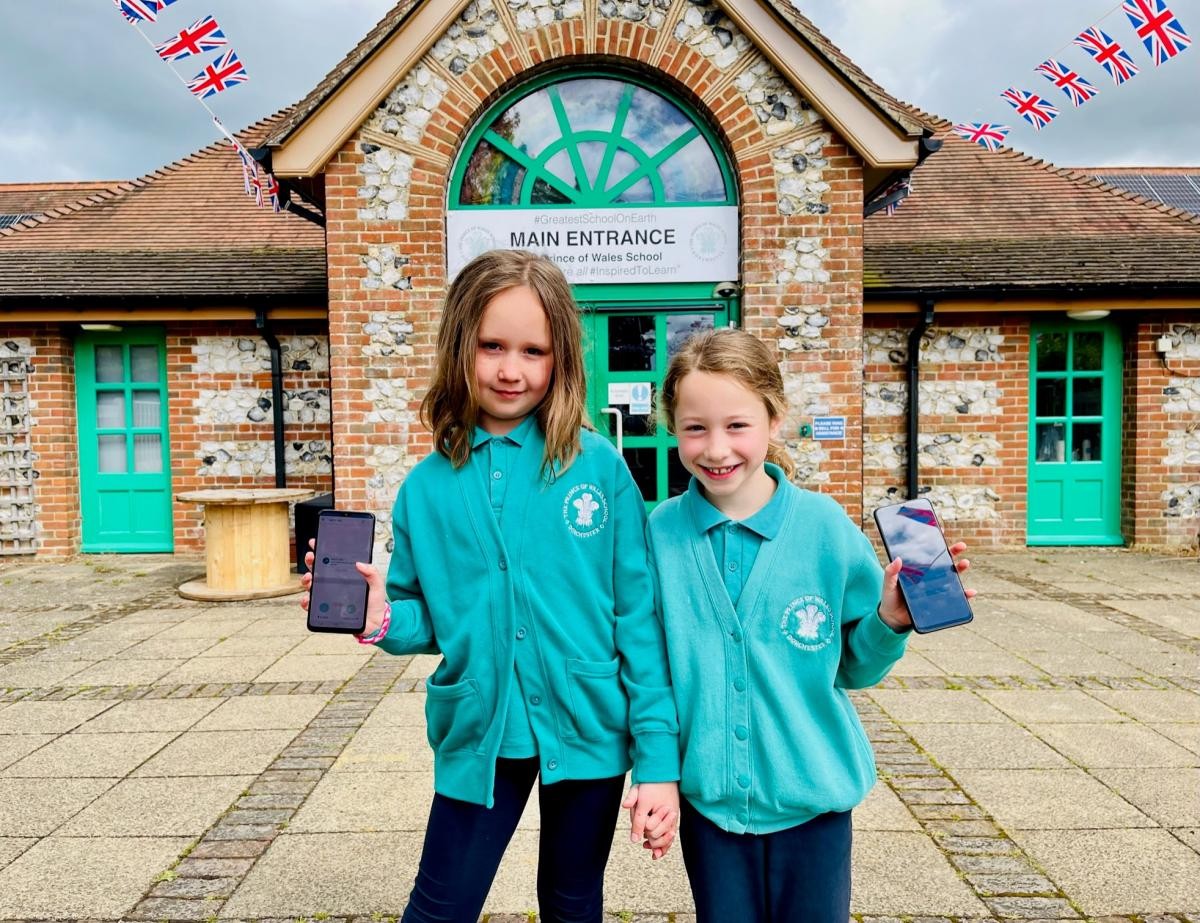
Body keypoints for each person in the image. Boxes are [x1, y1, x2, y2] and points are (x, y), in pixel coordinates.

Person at [300, 249, 680, 923]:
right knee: (440, 905)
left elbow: (639, 622)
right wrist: (383, 616)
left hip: (590, 724)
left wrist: (657, 759)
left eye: (534, 350)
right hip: (481, 726)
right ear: (459, 346)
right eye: (492, 345)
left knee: (571, 901)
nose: (512, 369)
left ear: (561, 355)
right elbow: (428, 618)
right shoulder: (425, 489)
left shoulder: (599, 469)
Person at [641, 327, 973, 922]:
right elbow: (651, 673)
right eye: (696, 428)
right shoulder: (658, 536)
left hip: (815, 804)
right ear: (673, 427)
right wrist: (655, 772)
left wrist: (889, 621)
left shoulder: (824, 528)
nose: (717, 449)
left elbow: (856, 666)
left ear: (775, 418)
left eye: (737, 425)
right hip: (708, 808)